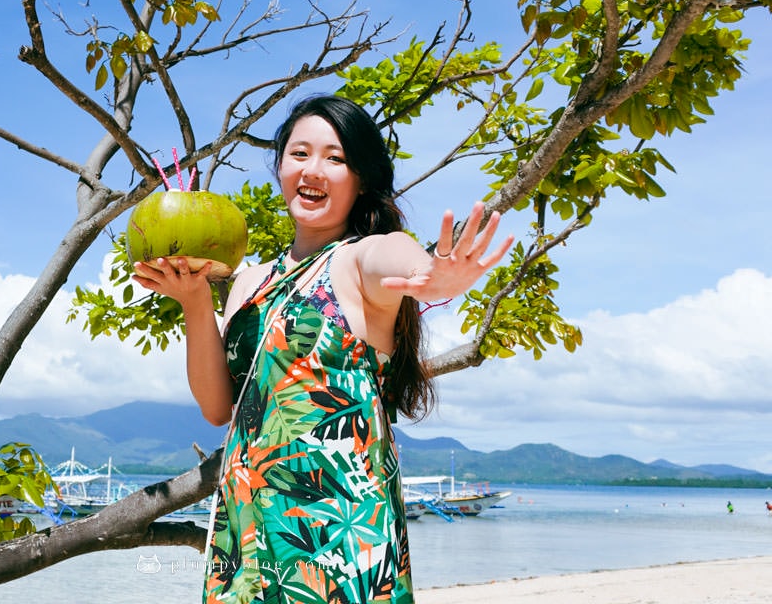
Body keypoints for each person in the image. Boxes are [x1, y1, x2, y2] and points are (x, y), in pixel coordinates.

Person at [133, 95, 513, 603]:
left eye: (336, 159)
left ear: (361, 179)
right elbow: (216, 407)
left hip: (340, 533)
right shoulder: (248, 282)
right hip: (248, 529)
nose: (313, 170)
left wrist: (430, 276)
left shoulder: (361, 259)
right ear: (280, 164)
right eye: (299, 154)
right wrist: (195, 301)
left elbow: (400, 257)